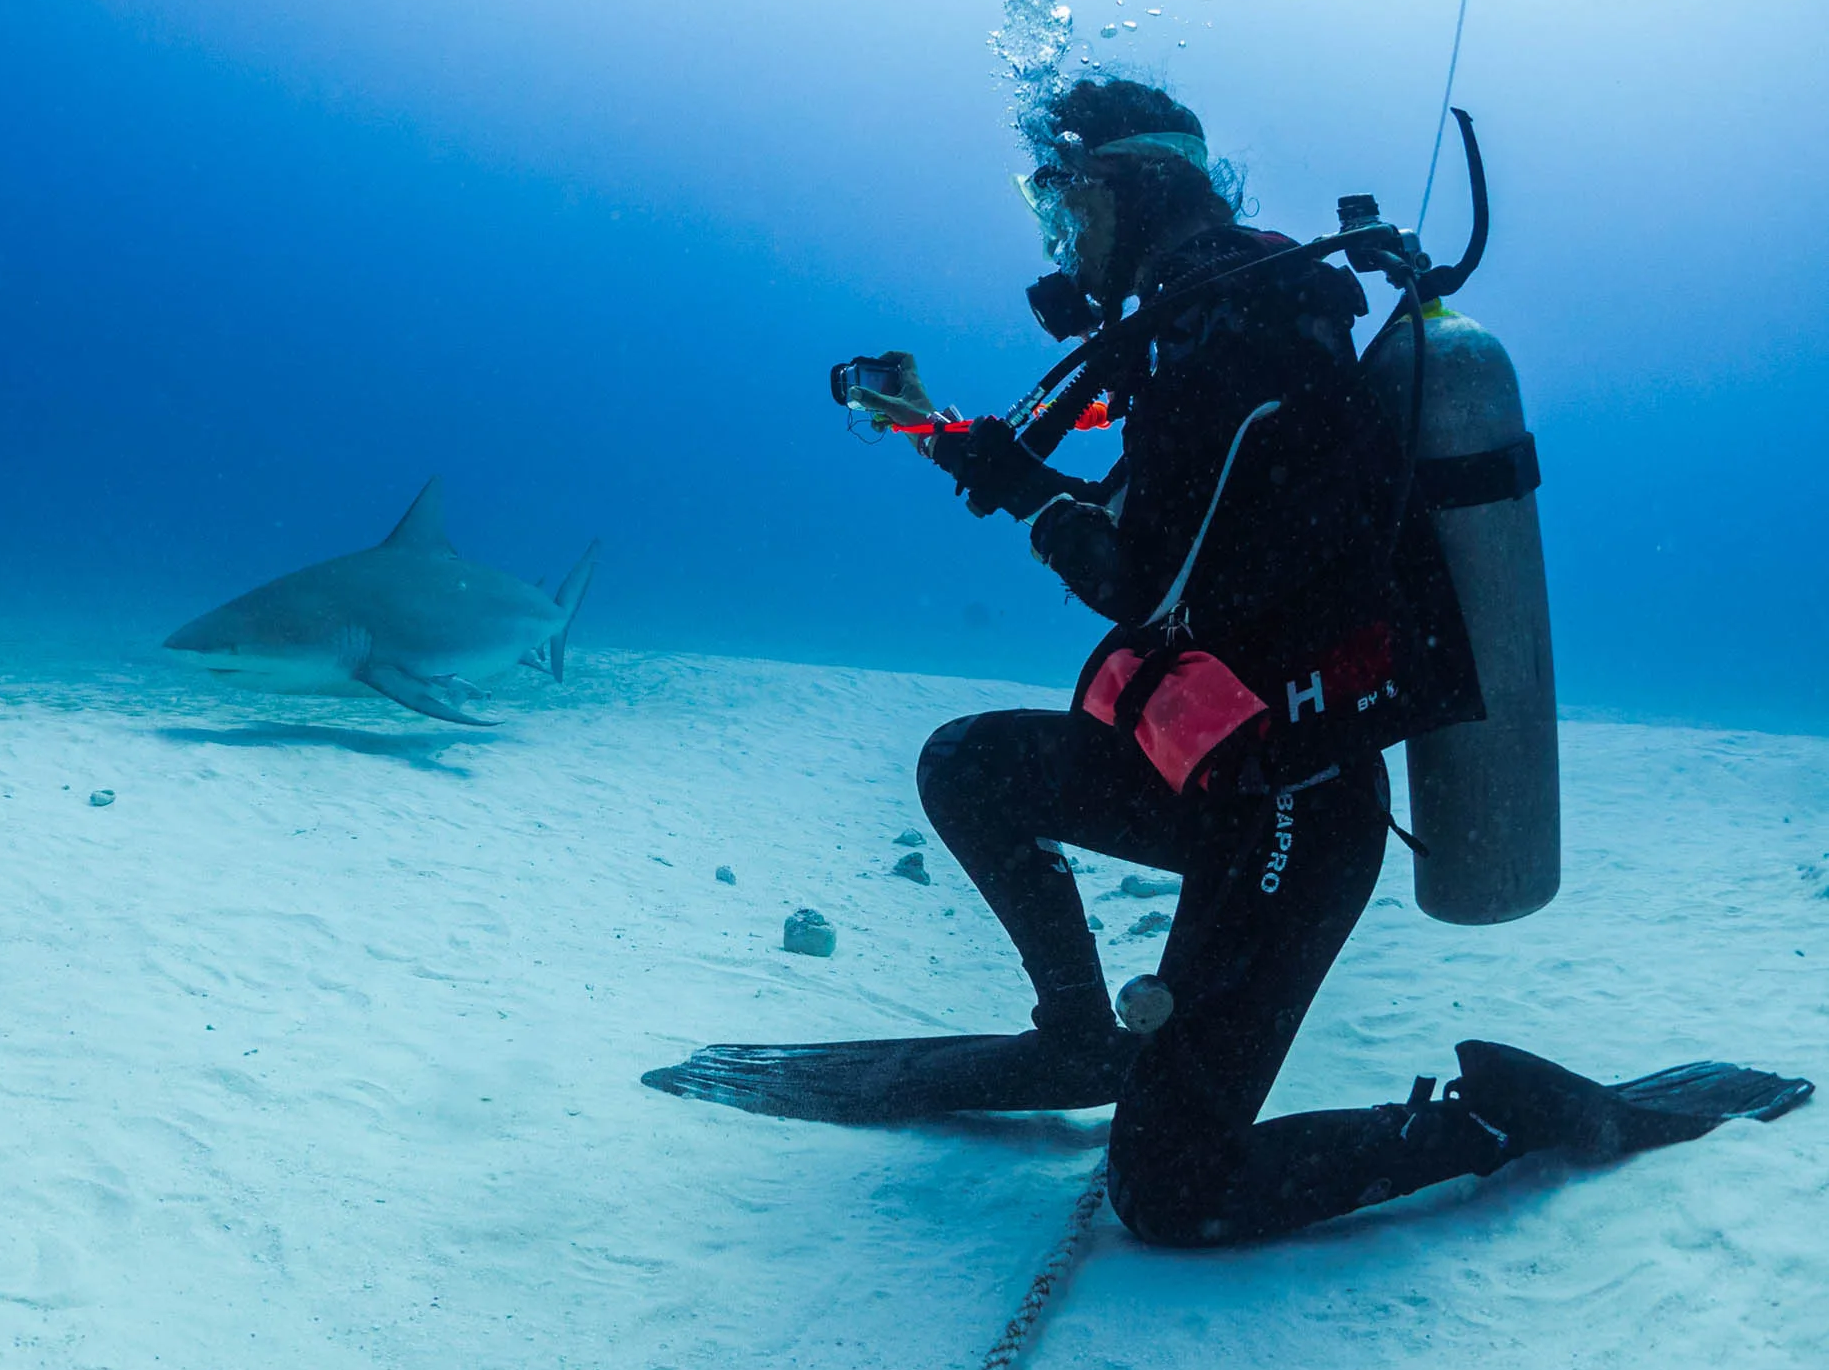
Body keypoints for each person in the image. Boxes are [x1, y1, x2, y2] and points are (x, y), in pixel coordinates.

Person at [647, 78, 1809, 1247]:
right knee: (966, 762)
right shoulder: (1195, 327)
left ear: (1126, 185)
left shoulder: (1231, 330)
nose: (1061, 243)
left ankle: (1503, 1120)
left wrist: (1022, 494)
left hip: (1292, 813)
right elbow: (1149, 500)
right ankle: (1076, 1041)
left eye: (1065, 206)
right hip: (1207, 777)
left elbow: (1142, 579)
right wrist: (956, 440)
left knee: (1166, 1193)